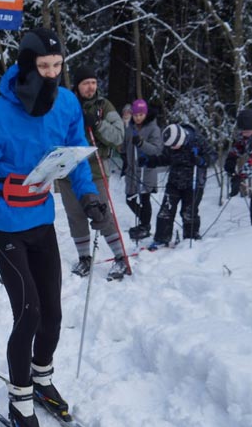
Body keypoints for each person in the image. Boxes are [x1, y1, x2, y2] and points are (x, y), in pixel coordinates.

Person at [0, 28, 103, 427]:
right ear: (26, 65)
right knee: (29, 312)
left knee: (52, 312)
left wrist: (88, 195)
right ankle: (19, 401)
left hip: (41, 218)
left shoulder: (67, 103)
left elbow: (75, 156)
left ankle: (42, 378)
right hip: (4, 222)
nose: (51, 74)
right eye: (43, 66)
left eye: (57, 66)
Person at [61, 65, 128, 281]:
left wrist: (98, 123)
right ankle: (84, 258)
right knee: (75, 215)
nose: (90, 87)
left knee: (101, 212)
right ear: (77, 86)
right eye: (85, 83)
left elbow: (118, 136)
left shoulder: (103, 106)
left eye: (93, 82)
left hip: (96, 169)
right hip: (69, 170)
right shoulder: (66, 105)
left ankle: (120, 257)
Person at [144, 123, 217, 245]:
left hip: (194, 183)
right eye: (170, 146)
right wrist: (152, 161)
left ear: (181, 139)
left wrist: (202, 160)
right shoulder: (171, 142)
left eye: (174, 145)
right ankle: (162, 239)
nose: (172, 148)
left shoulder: (197, 140)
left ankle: (191, 239)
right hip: (174, 181)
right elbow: (166, 158)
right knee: (166, 211)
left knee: (189, 212)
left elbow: (213, 155)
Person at [121, 99, 162, 241]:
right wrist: (122, 152)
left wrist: (141, 143)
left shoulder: (153, 128)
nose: (138, 118)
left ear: (146, 114)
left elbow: (156, 150)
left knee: (145, 199)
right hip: (132, 170)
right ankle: (144, 221)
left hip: (146, 169)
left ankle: (145, 226)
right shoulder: (129, 127)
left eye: (141, 115)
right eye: (135, 115)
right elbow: (125, 145)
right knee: (130, 199)